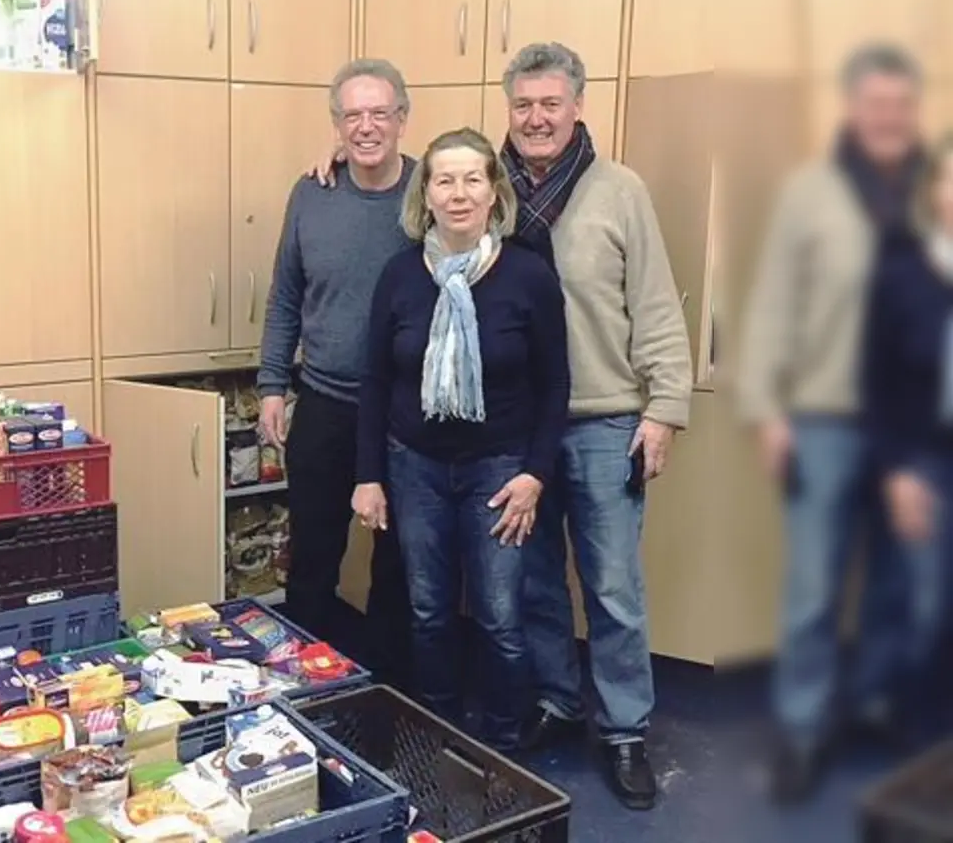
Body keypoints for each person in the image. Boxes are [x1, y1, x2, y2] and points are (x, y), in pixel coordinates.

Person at [309, 42, 692, 810]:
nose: (537, 117)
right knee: (537, 585)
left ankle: (622, 732)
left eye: (552, 103)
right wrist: (345, 159)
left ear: (578, 106)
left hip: (599, 417)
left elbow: (654, 302)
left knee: (611, 585)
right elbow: (411, 172)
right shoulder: (489, 186)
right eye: (523, 105)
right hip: (510, 437)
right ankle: (555, 702)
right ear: (507, 114)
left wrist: (665, 407)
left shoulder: (617, 192)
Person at [737, 43, 927, 803]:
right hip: (827, 419)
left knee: (897, 579)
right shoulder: (811, 194)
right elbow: (773, 307)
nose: (888, 117)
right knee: (815, 586)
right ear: (853, 108)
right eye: (874, 104)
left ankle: (876, 705)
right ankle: (805, 730)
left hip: (915, 431)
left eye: (900, 105)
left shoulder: (934, 190)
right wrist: (764, 410)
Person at [352, 127, 569, 751]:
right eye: (444, 180)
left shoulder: (527, 275)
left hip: (501, 471)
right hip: (413, 466)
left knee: (501, 616)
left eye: (473, 178)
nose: (458, 193)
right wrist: (369, 477)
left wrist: (534, 475)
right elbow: (375, 379)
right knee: (428, 610)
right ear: (426, 193)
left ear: (493, 191)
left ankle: (500, 745)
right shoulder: (399, 275)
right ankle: (438, 735)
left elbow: (556, 384)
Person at [256, 58, 417, 673]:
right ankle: (303, 682)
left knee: (398, 562)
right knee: (314, 556)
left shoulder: (431, 192)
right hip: (323, 401)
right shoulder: (311, 193)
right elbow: (285, 295)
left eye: (380, 113)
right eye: (353, 115)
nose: (367, 127)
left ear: (403, 119)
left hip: (407, 412)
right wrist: (272, 384)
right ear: (336, 125)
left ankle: (387, 689)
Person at [861, 130, 953, 748]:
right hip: (922, 454)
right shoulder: (901, 274)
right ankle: (909, 732)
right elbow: (874, 379)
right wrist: (895, 471)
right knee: (920, 601)